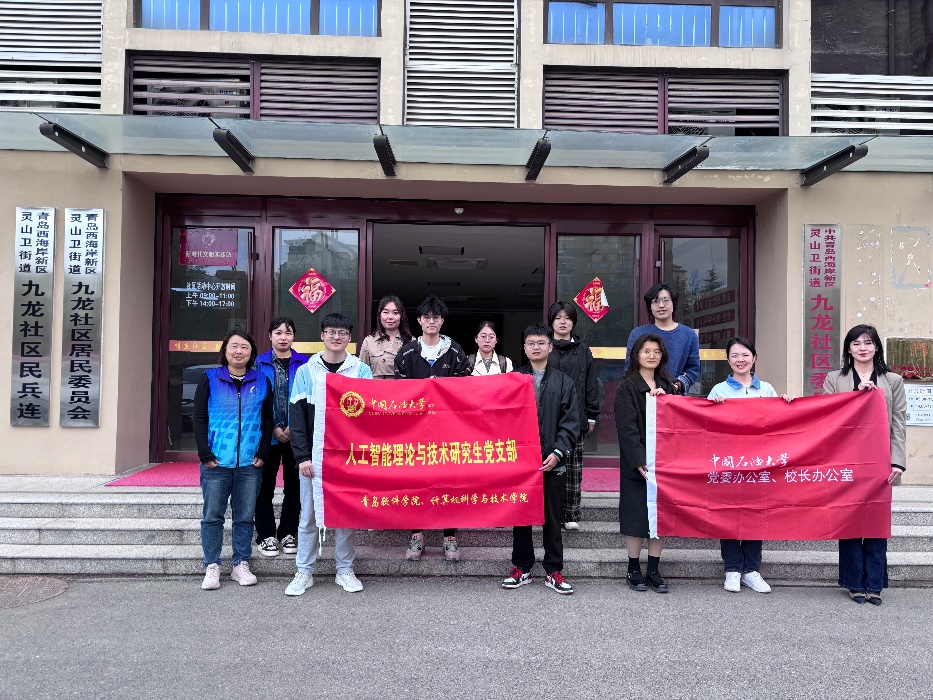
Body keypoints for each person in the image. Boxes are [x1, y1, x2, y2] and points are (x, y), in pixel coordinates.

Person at [284, 313, 373, 596]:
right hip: (314, 457)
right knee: (308, 517)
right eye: (331, 332)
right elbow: (297, 417)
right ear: (322, 335)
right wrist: (302, 457)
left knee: (345, 515)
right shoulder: (306, 371)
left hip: (348, 457)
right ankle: (304, 571)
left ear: (350, 338)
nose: (337, 337)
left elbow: (369, 417)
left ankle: (345, 570)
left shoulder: (361, 370)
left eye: (342, 333)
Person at [822, 324, 907, 606]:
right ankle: (853, 583)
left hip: (880, 462)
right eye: (856, 343)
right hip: (846, 460)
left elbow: (898, 423)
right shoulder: (835, 379)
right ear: (848, 349)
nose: (862, 348)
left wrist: (898, 462)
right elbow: (826, 416)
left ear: (876, 347)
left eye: (868, 342)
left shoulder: (893, 380)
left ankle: (874, 584)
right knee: (849, 521)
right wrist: (856, 396)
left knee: (875, 523)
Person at [707, 336, 794, 594]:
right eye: (735, 355)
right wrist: (713, 408)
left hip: (758, 465)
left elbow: (778, 424)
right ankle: (733, 569)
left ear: (754, 358)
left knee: (756, 515)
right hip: (730, 465)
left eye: (745, 355)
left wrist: (787, 404)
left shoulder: (766, 389)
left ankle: (752, 570)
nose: (740, 360)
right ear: (728, 360)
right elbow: (705, 427)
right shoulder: (718, 390)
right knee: (729, 516)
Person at [502, 323, 580, 595]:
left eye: (541, 343)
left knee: (552, 518)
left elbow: (571, 422)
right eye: (531, 343)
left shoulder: (563, 381)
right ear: (524, 348)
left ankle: (553, 570)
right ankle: (521, 568)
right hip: (521, 461)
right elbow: (502, 417)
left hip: (552, 460)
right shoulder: (513, 379)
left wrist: (558, 453)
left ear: (550, 346)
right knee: (521, 516)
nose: (536, 347)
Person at [193, 327, 273, 590]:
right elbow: (199, 417)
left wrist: (263, 451)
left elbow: (267, 419)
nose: (239, 351)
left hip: (250, 463)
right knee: (212, 515)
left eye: (244, 347)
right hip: (216, 461)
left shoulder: (262, 380)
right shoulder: (210, 378)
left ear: (252, 352)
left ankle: (240, 562)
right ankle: (212, 565)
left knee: (245, 516)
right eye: (234, 346)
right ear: (225, 351)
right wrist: (204, 453)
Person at [395, 295, 471, 561]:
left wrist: (443, 387)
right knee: (416, 482)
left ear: (442, 321)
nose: (431, 321)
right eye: (426, 317)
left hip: (448, 430)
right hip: (414, 430)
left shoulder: (456, 351)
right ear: (419, 320)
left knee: (448, 482)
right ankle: (417, 536)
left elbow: (466, 387)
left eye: (435, 317)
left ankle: (450, 537)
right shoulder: (406, 352)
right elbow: (398, 392)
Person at [615, 333, 675, 593]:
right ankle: (633, 569)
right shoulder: (627, 387)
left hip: (664, 463)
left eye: (656, 352)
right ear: (636, 354)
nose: (651, 355)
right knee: (636, 516)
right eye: (646, 351)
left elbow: (679, 424)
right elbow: (626, 428)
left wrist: (666, 401)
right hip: (638, 464)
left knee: (659, 517)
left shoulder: (668, 386)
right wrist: (638, 459)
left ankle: (654, 569)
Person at [253, 316, 309, 558]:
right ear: (270, 336)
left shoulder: (305, 363)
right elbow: (255, 398)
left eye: (288, 332)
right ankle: (265, 535)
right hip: (267, 435)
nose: (283, 337)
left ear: (294, 336)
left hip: (296, 435)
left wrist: (292, 427)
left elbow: (308, 398)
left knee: (294, 487)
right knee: (264, 487)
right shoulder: (257, 363)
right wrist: (274, 426)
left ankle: (288, 532)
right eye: (278, 332)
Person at [546, 301, 598, 531]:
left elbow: (591, 384)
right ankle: (550, 514)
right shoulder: (545, 347)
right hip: (548, 418)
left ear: (573, 322)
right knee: (550, 467)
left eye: (567, 318)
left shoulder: (583, 351)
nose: (563, 322)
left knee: (573, 470)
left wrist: (591, 415)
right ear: (551, 322)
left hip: (576, 418)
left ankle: (571, 514)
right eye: (558, 318)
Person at [625, 283, 700, 396]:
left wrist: (676, 385)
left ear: (673, 304)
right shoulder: (637, 334)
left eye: (666, 300)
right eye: (656, 301)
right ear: (650, 306)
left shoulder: (689, 335)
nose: (661, 305)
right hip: (643, 396)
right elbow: (630, 368)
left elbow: (693, 369)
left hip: (674, 397)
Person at [358, 294, 412, 379]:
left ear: (401, 316)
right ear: (380, 315)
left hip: (402, 387)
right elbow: (361, 374)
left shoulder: (411, 341)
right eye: (386, 312)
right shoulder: (369, 341)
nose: (390, 317)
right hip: (376, 387)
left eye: (395, 313)